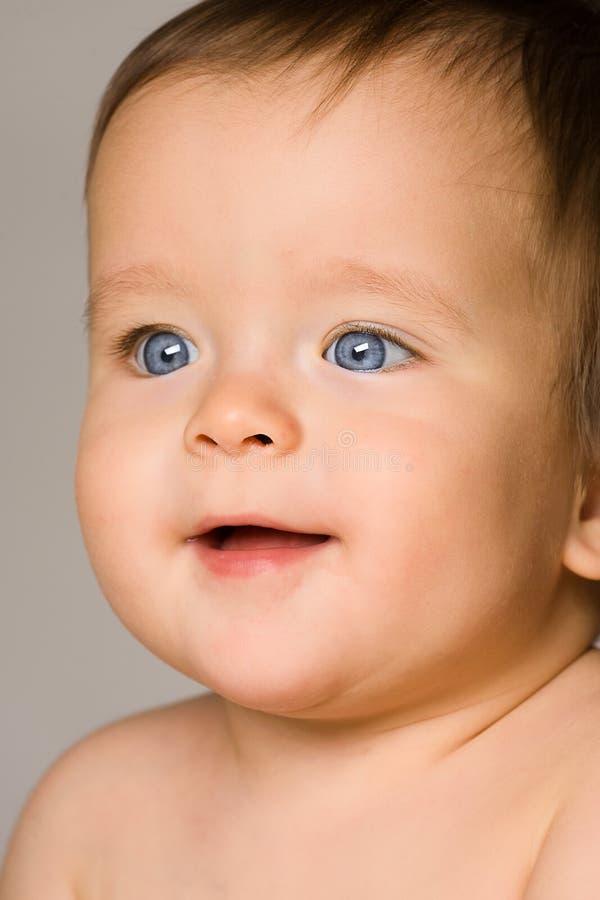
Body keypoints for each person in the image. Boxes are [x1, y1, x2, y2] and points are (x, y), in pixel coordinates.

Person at [2, 1, 600, 896]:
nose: (229, 414)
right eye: (162, 347)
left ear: (589, 492)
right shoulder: (93, 817)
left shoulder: (576, 798)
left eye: (363, 346)